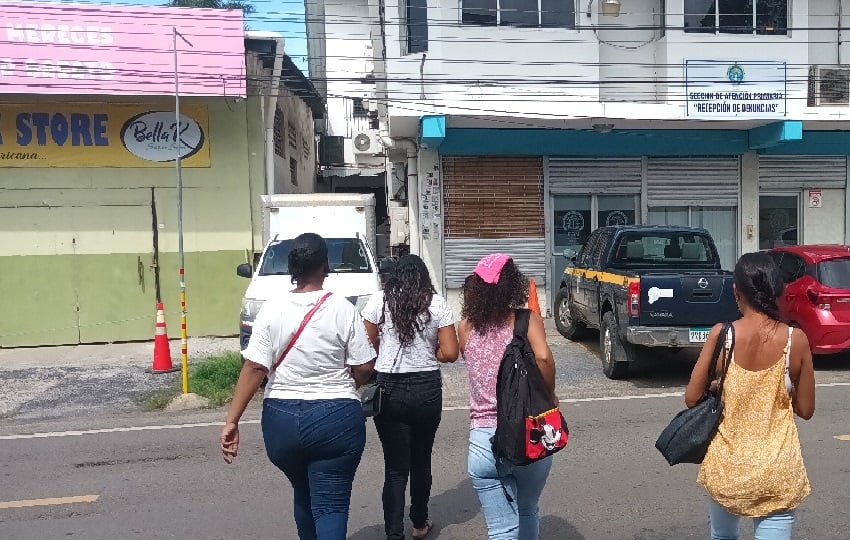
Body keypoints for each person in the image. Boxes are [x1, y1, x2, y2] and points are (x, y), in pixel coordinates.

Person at [220, 232, 376, 540]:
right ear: (325, 266)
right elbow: (365, 366)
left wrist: (232, 421)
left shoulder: (272, 309)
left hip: (282, 420)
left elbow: (254, 367)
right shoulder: (343, 310)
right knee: (329, 502)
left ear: (293, 267)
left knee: (303, 490)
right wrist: (352, 383)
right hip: (337, 419)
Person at [685, 252, 815, 540]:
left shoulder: (722, 335)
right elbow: (806, 409)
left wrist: (721, 386)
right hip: (777, 471)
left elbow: (692, 398)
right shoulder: (796, 340)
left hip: (728, 466)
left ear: (736, 291)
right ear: (777, 290)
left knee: (723, 536)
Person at [457, 254, 556, 540]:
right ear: (512, 285)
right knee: (527, 509)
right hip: (528, 432)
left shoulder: (465, 327)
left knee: (501, 529)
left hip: (483, 441)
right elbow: (544, 358)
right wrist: (550, 396)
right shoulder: (527, 320)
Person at [362, 254, 459, 540]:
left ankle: (394, 533)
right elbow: (451, 352)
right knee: (421, 459)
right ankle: (419, 522)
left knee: (394, 467)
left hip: (389, 389)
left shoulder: (379, 301)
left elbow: (367, 346)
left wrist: (385, 352)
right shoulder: (437, 303)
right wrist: (431, 353)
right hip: (426, 387)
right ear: (423, 276)